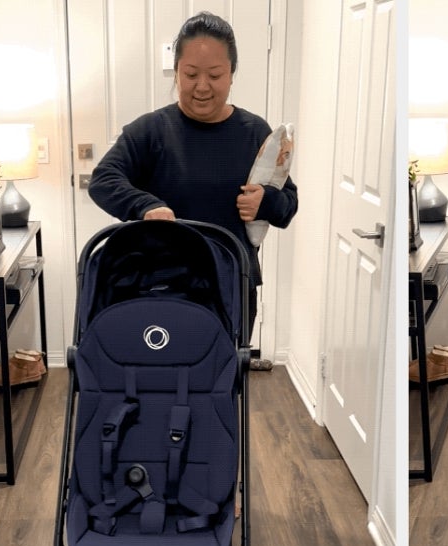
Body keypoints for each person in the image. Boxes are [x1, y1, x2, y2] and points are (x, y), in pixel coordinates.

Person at [90, 12, 298, 337]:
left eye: (215, 75)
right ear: (176, 73)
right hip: (158, 288)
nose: (202, 86)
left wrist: (266, 202)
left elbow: (288, 205)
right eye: (190, 74)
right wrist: (145, 206)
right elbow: (103, 179)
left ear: (231, 75)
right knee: (159, 382)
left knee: (223, 381)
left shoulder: (254, 132)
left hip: (232, 290)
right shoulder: (151, 130)